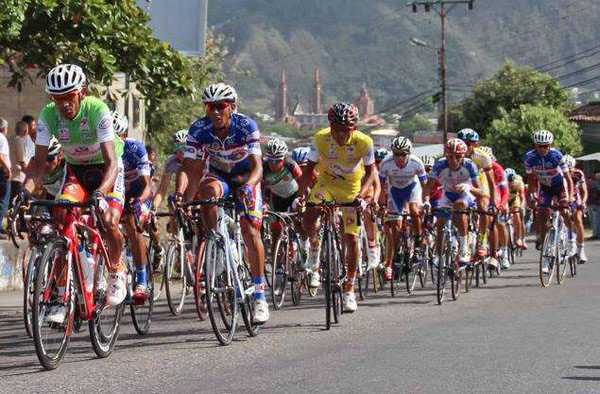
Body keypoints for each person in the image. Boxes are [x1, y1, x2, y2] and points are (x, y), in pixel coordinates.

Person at [18, 64, 126, 323]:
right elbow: (39, 163)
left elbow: (111, 161)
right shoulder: (47, 115)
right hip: (77, 170)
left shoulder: (96, 109)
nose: (64, 104)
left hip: (106, 169)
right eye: (58, 98)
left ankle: (116, 269)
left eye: (69, 96)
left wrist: (100, 193)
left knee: (109, 220)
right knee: (61, 215)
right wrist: (23, 192)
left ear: (82, 92)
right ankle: (60, 295)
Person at [175, 82, 270, 324]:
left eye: (220, 106)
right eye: (209, 107)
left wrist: (249, 187)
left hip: (246, 177)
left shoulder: (246, 126)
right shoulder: (199, 129)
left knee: (250, 229)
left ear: (231, 107)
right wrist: (184, 197)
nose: (214, 112)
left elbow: (258, 167)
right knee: (207, 193)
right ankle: (219, 243)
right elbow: (191, 169)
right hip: (220, 176)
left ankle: (259, 295)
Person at [296, 102, 377, 313]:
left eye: (345, 130)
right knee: (309, 215)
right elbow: (308, 170)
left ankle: (349, 288)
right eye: (336, 129)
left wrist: (362, 195)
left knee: (350, 238)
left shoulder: (364, 142)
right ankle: (315, 245)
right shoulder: (321, 138)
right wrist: (300, 195)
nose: (340, 135)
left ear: (354, 128)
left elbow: (371, 173)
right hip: (327, 185)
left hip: (351, 189)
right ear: (329, 126)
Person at [425, 138, 484, 267]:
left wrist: (469, 187)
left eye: (458, 156)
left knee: (459, 205)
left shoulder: (470, 165)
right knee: (440, 223)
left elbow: (481, 192)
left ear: (463, 155)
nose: (454, 160)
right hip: (447, 195)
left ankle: (464, 249)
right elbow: (428, 187)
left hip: (465, 195)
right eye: (450, 157)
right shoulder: (440, 164)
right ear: (446, 155)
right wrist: (426, 201)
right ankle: (439, 255)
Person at [114, 111, 153, 299]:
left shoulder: (135, 148)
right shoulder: (102, 149)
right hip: (119, 194)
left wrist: (138, 202)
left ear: (125, 134)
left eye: (119, 137)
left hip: (139, 193)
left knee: (132, 224)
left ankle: (142, 279)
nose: (116, 143)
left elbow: (147, 185)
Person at [524, 130, 574, 272]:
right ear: (535, 145)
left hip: (560, 186)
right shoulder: (529, 158)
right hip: (545, 187)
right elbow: (531, 179)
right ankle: (548, 250)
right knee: (542, 213)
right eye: (539, 146)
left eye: (545, 146)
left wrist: (568, 198)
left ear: (550, 145)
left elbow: (568, 179)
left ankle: (570, 239)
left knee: (564, 211)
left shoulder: (556, 155)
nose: (542, 149)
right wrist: (533, 194)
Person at [378, 136, 427, 281]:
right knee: (396, 227)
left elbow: (425, 185)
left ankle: (417, 242)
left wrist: (426, 201)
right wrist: (382, 204)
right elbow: (380, 186)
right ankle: (397, 253)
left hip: (412, 189)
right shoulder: (386, 163)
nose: (399, 157)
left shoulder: (416, 163)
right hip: (395, 192)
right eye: (396, 154)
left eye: (403, 154)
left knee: (414, 210)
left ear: (409, 153)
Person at [457, 129, 496, 258]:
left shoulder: (481, 157)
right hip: (461, 183)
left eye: (469, 143)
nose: (466, 146)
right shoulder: (453, 155)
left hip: (479, 182)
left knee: (484, 206)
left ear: (475, 144)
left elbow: (491, 181)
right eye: (463, 142)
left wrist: (493, 202)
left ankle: (482, 241)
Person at [564, 155, 588, 263]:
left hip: (575, 198)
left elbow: (584, 191)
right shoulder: (558, 173)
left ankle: (581, 250)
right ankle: (568, 242)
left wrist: (583, 202)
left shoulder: (578, 174)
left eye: (570, 170)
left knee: (578, 219)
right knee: (563, 216)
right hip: (562, 196)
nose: (568, 172)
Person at [10, 121, 29, 205]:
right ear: (25, 131)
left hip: (11, 176)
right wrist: (29, 174)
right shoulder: (19, 141)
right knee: (18, 204)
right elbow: (22, 161)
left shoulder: (10, 140)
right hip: (19, 177)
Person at [0, 118, 11, 236]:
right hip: (2, 172)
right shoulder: (2, 138)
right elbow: (1, 155)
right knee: (3, 200)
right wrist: (7, 169)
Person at [587, 170, 600, 239]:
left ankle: (597, 235)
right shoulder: (591, 186)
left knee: (596, 220)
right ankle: (595, 234)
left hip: (596, 205)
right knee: (593, 220)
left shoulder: (597, 185)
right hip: (590, 204)